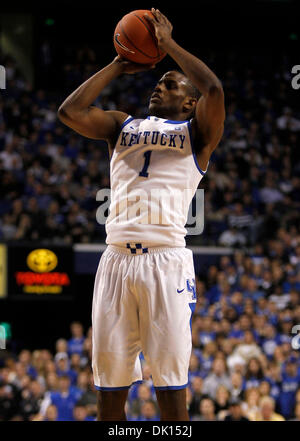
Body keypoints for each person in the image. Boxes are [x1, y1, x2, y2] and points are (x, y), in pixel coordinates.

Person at [58, 8, 224, 421]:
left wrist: (166, 46)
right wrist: (117, 64)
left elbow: (215, 90)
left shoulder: (197, 135)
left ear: (188, 101)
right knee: (109, 392)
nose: (158, 86)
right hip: (114, 261)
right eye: (156, 80)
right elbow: (70, 112)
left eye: (168, 83)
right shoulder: (121, 125)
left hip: (164, 262)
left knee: (171, 391)